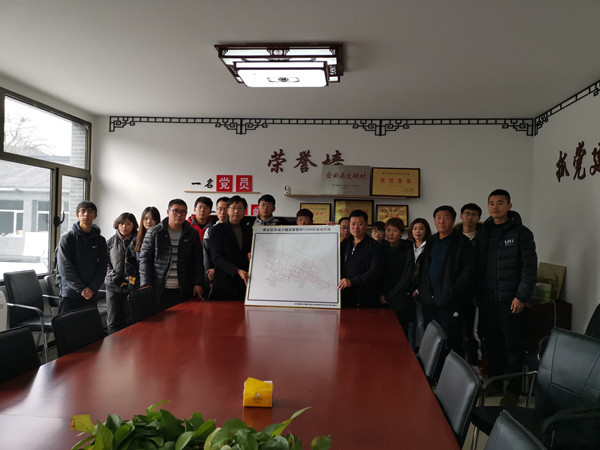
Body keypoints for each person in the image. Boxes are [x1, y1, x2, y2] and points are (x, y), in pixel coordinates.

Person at [477, 189, 537, 406]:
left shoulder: (521, 233)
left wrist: (521, 296)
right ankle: (495, 383)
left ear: (509, 206)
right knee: (491, 343)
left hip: (511, 300)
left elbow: (529, 267)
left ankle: (513, 389)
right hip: (487, 300)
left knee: (513, 346)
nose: (495, 207)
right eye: (491, 203)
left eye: (500, 203)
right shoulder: (484, 232)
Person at [417, 206, 477, 355]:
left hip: (451, 301)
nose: (441, 221)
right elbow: (423, 268)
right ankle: (434, 369)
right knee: (431, 340)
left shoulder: (462, 242)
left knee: (453, 341)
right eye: (438, 217)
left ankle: (454, 370)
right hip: (429, 302)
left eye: (446, 217)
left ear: (453, 221)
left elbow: (469, 271)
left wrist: (452, 290)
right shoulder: (431, 241)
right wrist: (422, 290)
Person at [139, 198, 204, 310]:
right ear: (168, 212)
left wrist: (198, 283)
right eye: (175, 211)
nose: (179, 215)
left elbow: (198, 260)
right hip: (159, 287)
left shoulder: (192, 234)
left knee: (184, 319)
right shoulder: (155, 232)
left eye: (183, 212)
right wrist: (145, 283)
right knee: (160, 319)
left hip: (184, 288)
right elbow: (145, 259)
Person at [56, 201, 108, 313]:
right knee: (68, 323)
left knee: (88, 323)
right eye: (82, 211)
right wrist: (81, 289)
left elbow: (103, 266)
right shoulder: (67, 239)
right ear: (77, 215)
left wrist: (92, 288)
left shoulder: (100, 240)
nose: (86, 214)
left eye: (90, 211)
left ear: (95, 215)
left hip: (91, 293)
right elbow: (64, 267)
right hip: (70, 293)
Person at [209, 195, 253, 300]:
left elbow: (248, 251)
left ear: (244, 211)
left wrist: (251, 255)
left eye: (240, 208)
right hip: (224, 282)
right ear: (228, 210)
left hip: (243, 282)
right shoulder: (216, 230)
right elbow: (217, 258)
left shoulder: (248, 230)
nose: (236, 211)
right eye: (233, 208)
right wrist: (236, 270)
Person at [455, 202, 483, 365]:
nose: (469, 217)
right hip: (456, 291)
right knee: (457, 330)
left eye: (474, 214)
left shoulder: (483, 237)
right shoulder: (454, 237)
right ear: (461, 216)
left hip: (476, 292)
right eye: (467, 213)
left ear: (478, 218)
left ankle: (474, 364)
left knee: (473, 331)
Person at [338, 210, 384, 308]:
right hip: (345, 297)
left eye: (360, 224)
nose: (355, 227)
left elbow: (375, 272)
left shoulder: (374, 246)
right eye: (353, 224)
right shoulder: (345, 244)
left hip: (365, 299)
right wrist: (330, 231)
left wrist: (352, 282)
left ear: (366, 225)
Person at [379, 218, 415, 335]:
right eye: (388, 230)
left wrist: (389, 296)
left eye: (394, 230)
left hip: (400, 300)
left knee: (399, 335)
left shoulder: (408, 248)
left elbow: (406, 277)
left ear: (401, 233)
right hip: (382, 299)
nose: (390, 234)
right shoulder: (382, 248)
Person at [105, 212, 138, 333]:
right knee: (113, 322)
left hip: (131, 287)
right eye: (121, 224)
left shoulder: (138, 240)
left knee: (131, 321)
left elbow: (141, 264)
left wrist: (130, 281)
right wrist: (116, 279)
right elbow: (105, 264)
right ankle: (113, 345)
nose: (124, 227)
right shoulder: (110, 242)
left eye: (128, 224)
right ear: (117, 225)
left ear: (133, 225)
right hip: (113, 287)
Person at [407, 218, 432, 346]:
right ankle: (410, 350)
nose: (418, 231)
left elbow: (428, 272)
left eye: (421, 228)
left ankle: (425, 353)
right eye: (415, 228)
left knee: (422, 323)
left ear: (426, 231)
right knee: (410, 323)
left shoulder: (430, 247)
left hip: (422, 291)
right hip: (407, 291)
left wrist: (418, 290)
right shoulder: (407, 246)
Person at [203, 196, 229, 289]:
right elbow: (206, 255)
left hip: (230, 274)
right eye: (220, 209)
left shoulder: (234, 230)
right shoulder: (210, 230)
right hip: (212, 275)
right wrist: (210, 278)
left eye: (226, 209)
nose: (222, 212)